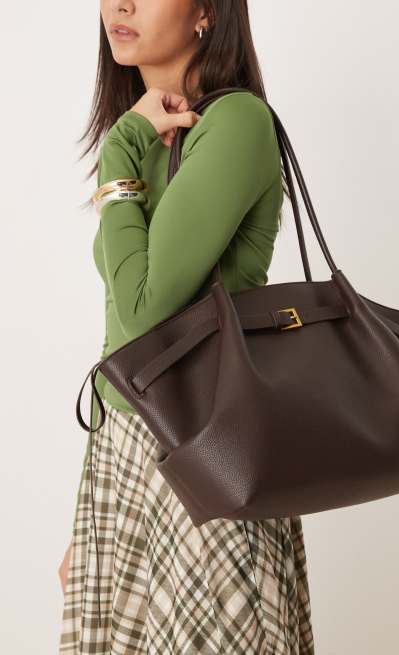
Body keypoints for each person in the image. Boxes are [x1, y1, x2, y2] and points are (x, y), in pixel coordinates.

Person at [58, 1, 315, 653]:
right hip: (123, 459)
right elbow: (117, 343)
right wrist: (86, 515)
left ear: (206, 11)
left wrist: (120, 146)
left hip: (207, 455)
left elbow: (145, 312)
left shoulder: (236, 123)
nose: (120, 5)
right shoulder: (146, 133)